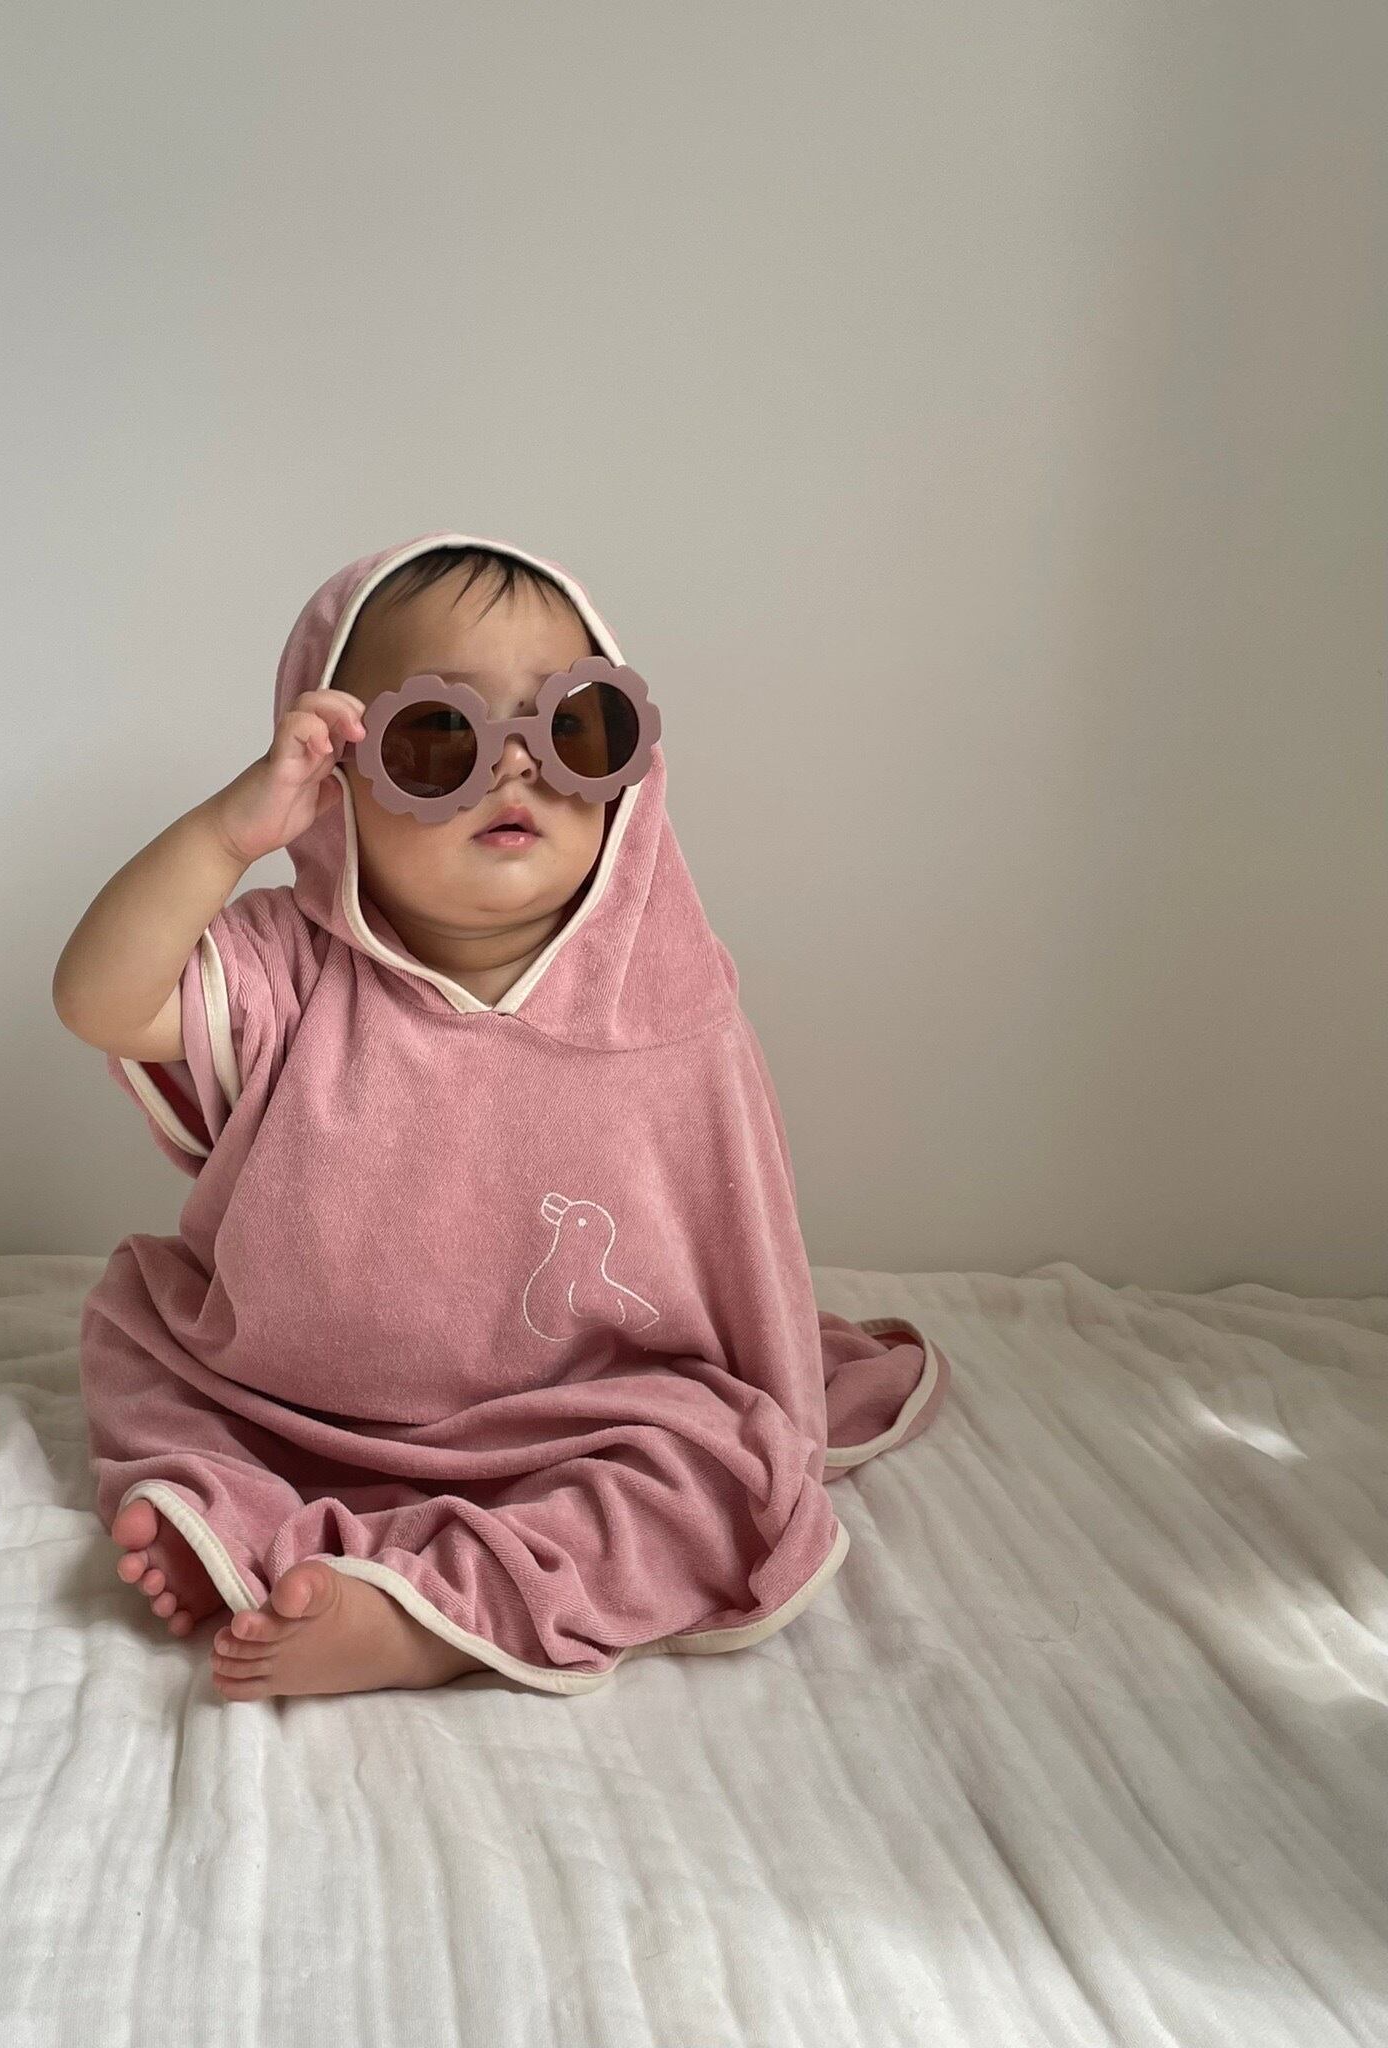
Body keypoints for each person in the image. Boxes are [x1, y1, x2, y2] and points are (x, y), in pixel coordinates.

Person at [52, 530, 949, 1703]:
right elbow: (99, 1000)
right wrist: (226, 833)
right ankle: (229, 1520)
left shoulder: (662, 997)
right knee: (150, 1359)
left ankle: (427, 1619)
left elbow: (734, 1250)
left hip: (572, 1420)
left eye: (574, 729)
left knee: (713, 1468)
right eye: (440, 739)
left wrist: (757, 1403)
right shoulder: (288, 970)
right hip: (288, 1399)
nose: (517, 766)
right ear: (333, 787)